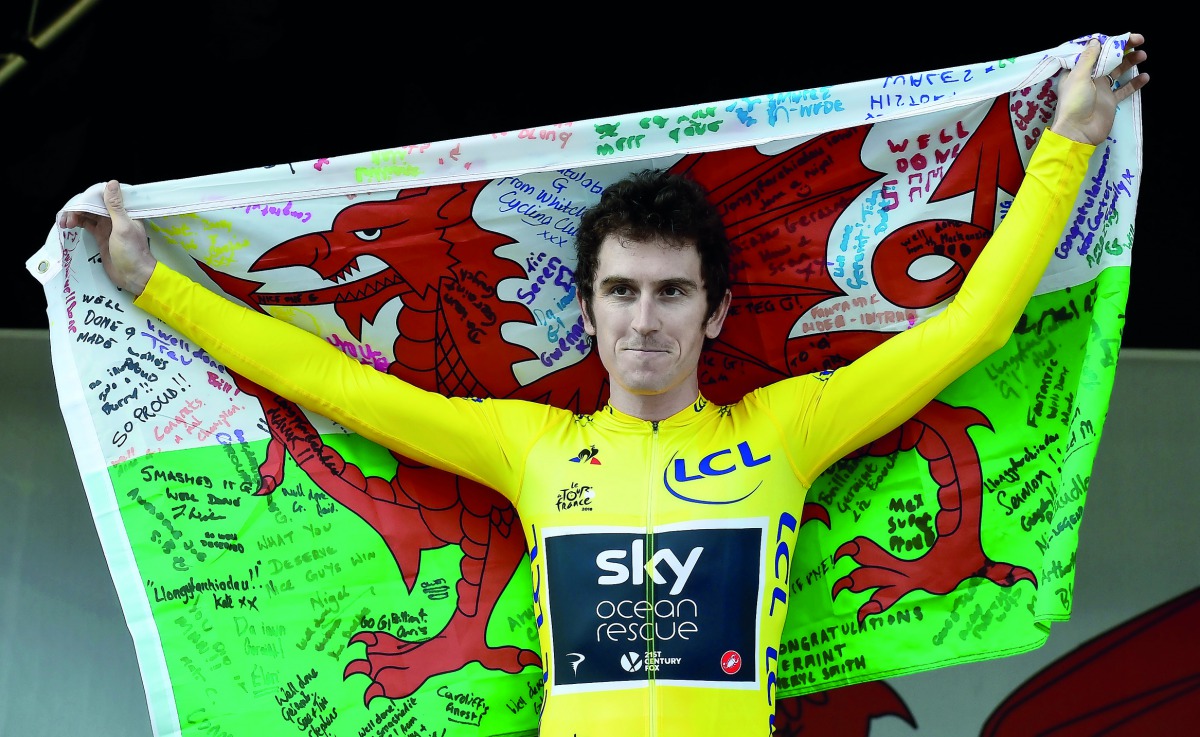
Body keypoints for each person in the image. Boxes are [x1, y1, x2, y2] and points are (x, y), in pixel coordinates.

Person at [62, 36, 1148, 737]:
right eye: (621, 291)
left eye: (672, 292)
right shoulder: (527, 445)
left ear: (715, 313)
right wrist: (154, 284)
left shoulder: (792, 425)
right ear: (587, 309)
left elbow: (972, 326)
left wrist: (1070, 140)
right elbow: (329, 384)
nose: (644, 318)